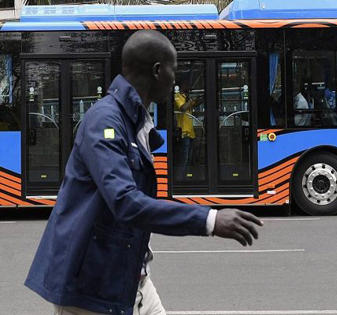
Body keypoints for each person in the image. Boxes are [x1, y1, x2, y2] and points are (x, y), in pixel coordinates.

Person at [24, 30, 263, 315]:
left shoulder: (134, 121)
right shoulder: (105, 121)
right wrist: (210, 220)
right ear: (158, 71)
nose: (176, 79)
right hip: (91, 288)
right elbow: (125, 202)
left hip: (129, 278)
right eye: (174, 70)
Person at [174, 79, 201, 180]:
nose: (188, 87)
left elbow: (193, 104)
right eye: (186, 84)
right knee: (184, 158)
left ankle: (186, 177)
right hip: (183, 132)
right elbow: (183, 108)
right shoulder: (178, 96)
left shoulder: (186, 97)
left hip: (190, 132)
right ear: (181, 86)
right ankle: (180, 179)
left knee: (189, 158)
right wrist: (190, 101)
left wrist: (198, 99)